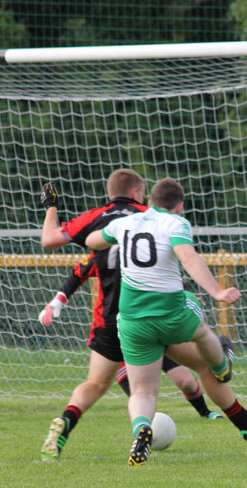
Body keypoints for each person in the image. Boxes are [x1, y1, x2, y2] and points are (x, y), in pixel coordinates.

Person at [86, 177, 247, 466]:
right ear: (179, 206)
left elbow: (91, 240)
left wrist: (104, 234)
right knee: (203, 334)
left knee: (143, 390)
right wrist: (217, 291)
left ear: (150, 201)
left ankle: (143, 429)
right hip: (171, 314)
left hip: (132, 321)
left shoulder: (125, 224)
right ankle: (222, 365)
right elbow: (187, 258)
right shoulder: (176, 223)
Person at [40, 168, 149, 462]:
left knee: (97, 384)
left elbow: (49, 239)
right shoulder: (150, 215)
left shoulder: (93, 218)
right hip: (148, 314)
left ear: (111, 192)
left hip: (109, 318)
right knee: (185, 361)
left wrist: (51, 205)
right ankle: (147, 427)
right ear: (137, 193)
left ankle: (65, 420)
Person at [39, 260, 223, 419]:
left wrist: (188, 296)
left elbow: (173, 282)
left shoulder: (147, 258)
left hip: (151, 330)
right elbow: (79, 272)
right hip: (119, 338)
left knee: (187, 382)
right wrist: (59, 300)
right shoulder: (105, 254)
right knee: (139, 395)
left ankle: (205, 412)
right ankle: (146, 428)